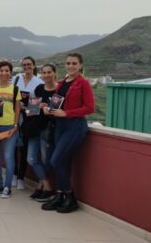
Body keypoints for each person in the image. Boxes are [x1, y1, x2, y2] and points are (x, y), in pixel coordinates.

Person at [42, 53, 95, 213]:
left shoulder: (83, 83)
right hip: (60, 126)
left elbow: (89, 108)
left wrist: (67, 113)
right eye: (68, 63)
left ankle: (70, 197)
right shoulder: (62, 83)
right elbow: (56, 104)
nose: (71, 66)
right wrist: (48, 108)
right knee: (62, 162)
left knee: (56, 160)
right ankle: (60, 195)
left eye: (74, 63)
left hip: (75, 126)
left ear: (80, 65)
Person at [0, 61, 21, 199]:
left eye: (7, 70)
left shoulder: (15, 89)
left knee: (8, 156)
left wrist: (15, 125)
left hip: (9, 126)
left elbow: (17, 109)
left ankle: (7, 187)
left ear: (10, 73)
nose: (4, 73)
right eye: (1, 70)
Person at [12, 56, 44, 190]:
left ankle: (21, 177)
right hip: (14, 116)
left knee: (24, 148)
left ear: (34, 65)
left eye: (29, 64)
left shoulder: (39, 82)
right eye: (24, 65)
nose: (26, 67)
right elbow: (11, 97)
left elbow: (39, 101)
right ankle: (13, 174)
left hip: (29, 118)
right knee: (13, 146)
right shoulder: (16, 79)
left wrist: (27, 108)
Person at [27, 64, 57, 202]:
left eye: (49, 72)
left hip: (49, 129)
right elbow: (31, 111)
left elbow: (58, 111)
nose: (46, 75)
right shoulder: (38, 89)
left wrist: (48, 108)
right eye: (44, 73)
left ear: (54, 73)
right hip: (36, 127)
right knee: (31, 158)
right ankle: (48, 186)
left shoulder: (58, 90)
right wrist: (36, 107)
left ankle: (41, 186)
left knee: (46, 160)